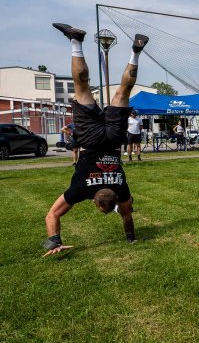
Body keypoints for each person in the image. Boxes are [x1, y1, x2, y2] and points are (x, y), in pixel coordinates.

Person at [42, 24, 148, 256]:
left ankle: (135, 52)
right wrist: (53, 241)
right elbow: (53, 214)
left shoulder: (121, 188)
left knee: (123, 92)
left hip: (113, 140)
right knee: (81, 87)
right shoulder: (80, 189)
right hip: (89, 139)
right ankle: (76, 42)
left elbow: (128, 212)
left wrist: (131, 238)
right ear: (93, 201)